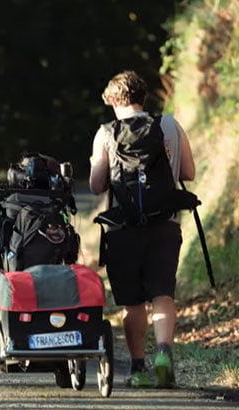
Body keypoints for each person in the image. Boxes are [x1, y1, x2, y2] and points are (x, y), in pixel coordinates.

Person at [89, 71, 195, 388]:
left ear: (112, 101)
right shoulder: (169, 125)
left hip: (123, 230)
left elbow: (96, 186)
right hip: (165, 224)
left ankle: (138, 369)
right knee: (162, 292)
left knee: (132, 303)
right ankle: (164, 354)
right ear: (144, 98)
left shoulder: (106, 133)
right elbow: (188, 172)